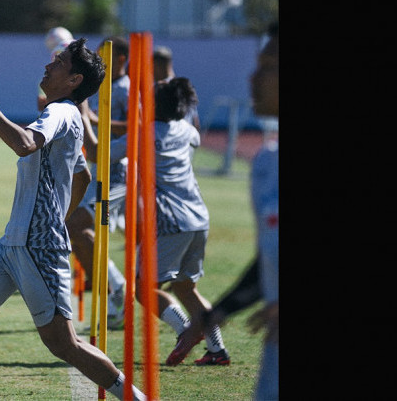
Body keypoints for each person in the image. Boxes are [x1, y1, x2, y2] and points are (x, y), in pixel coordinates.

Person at [0, 38, 146, 401]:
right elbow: (81, 175)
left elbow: (25, 144)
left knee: (65, 345)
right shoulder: (68, 115)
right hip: (14, 243)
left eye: (60, 61)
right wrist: (58, 216)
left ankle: (136, 397)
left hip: (37, 247)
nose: (49, 65)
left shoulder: (62, 111)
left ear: (74, 80)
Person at [82, 77, 230, 366]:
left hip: (169, 219)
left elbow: (99, 151)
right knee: (187, 287)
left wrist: (84, 114)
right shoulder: (187, 131)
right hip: (198, 216)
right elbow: (194, 137)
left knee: (143, 288)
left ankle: (187, 330)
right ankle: (217, 350)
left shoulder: (144, 133)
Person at [174, 22, 278, 399]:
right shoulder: (266, 165)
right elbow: (267, 261)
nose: (253, 78)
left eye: (269, 68)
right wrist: (213, 315)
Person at [66, 35, 130, 329]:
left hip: (117, 174)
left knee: (78, 224)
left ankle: (118, 290)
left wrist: (90, 117)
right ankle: (112, 288)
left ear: (120, 58)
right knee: (72, 228)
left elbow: (140, 124)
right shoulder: (102, 83)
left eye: (104, 54)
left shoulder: (126, 89)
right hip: (97, 167)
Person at [153, 46, 200, 130]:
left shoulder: (159, 90)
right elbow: (196, 122)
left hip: (166, 140)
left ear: (156, 64)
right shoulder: (185, 87)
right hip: (186, 139)